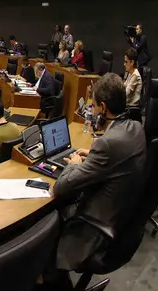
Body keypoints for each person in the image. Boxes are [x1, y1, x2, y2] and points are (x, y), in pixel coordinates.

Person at [52, 73, 146, 272]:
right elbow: (115, 161)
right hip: (121, 220)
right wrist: (94, 154)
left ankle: (49, 275)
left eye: (93, 106)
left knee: (47, 217)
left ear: (103, 108)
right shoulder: (136, 127)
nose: (92, 112)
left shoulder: (108, 144)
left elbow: (61, 187)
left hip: (94, 231)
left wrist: (75, 163)